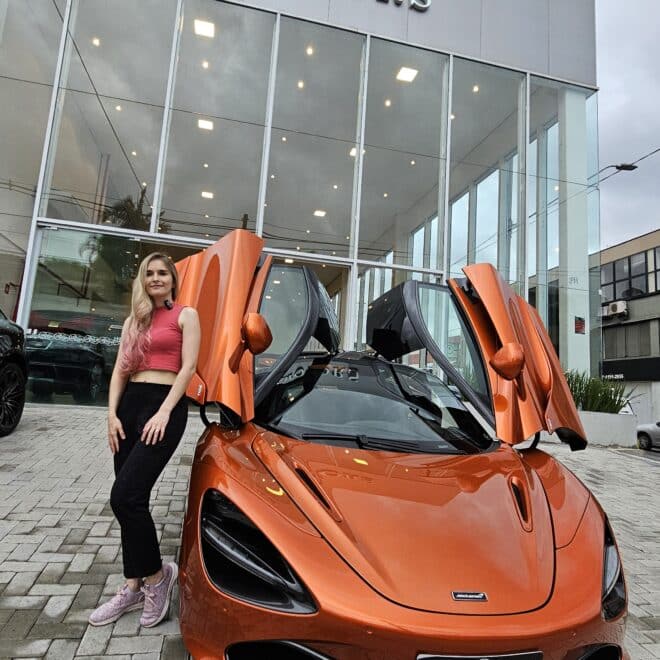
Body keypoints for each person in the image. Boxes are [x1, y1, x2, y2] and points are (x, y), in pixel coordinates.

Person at [88, 253, 200, 628]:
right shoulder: (133, 320)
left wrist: (166, 411)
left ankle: (157, 578)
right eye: (149, 273)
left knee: (125, 497)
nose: (156, 278)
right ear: (143, 279)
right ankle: (134, 584)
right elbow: (121, 368)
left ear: (172, 279)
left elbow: (188, 368)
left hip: (164, 407)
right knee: (130, 499)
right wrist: (110, 416)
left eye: (162, 273)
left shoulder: (187, 315)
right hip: (130, 407)